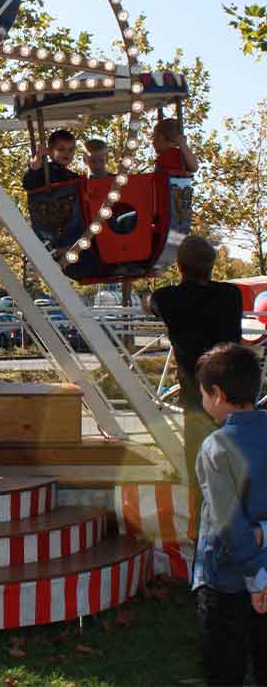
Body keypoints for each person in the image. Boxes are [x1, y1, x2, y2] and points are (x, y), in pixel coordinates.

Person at [142, 235, 242, 506]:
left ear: (180, 267)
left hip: (197, 393)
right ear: (211, 265)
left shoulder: (169, 299)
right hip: (234, 391)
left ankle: (202, 524)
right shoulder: (232, 294)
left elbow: (148, 302)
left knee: (199, 463)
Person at [193, 343, 267, 686]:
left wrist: (256, 578)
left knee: (224, 670)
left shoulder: (216, 446)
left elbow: (228, 521)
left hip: (228, 582)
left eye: (204, 394)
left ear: (217, 394)